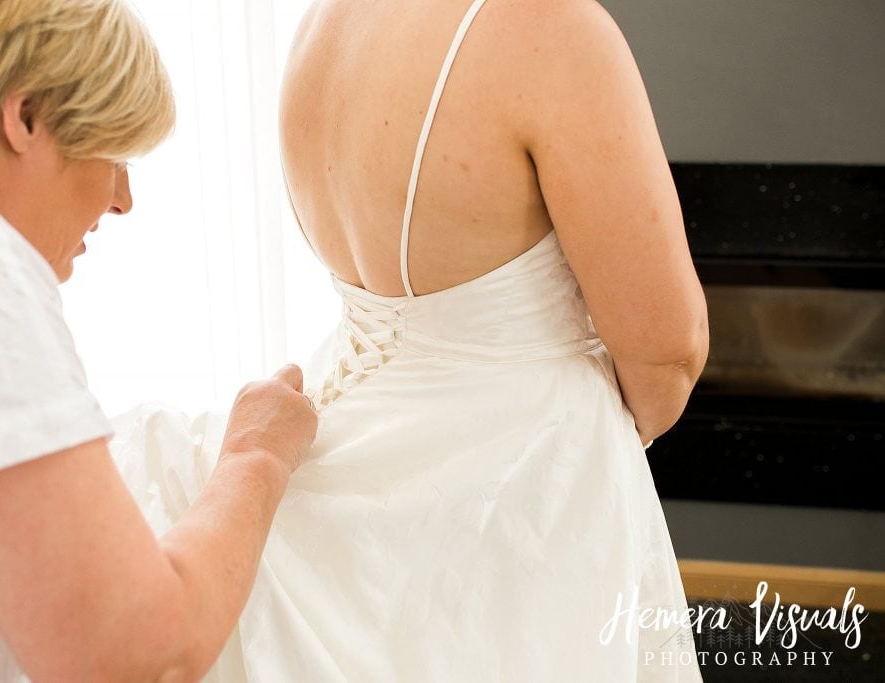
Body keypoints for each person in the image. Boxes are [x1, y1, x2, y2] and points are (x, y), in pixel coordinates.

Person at [150, 0, 706, 679]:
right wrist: (588, 454)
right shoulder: (549, 30)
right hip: (523, 498)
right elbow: (667, 351)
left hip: (343, 459)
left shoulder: (323, 26)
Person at [0, 1, 316, 681]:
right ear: (26, 117)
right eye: (115, 152)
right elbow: (138, 655)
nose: (123, 199)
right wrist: (256, 457)